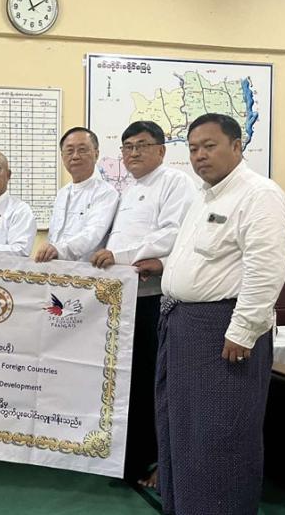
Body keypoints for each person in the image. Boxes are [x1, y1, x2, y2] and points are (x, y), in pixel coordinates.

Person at [137, 113, 285, 514]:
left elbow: (265, 268)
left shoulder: (259, 194)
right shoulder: (203, 196)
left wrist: (244, 329)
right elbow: (199, 259)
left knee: (220, 436)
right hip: (182, 327)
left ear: (237, 146)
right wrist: (163, 268)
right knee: (181, 430)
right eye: (192, 149)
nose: (199, 156)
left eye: (209, 146)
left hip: (222, 332)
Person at [89, 120, 194, 488]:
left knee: (155, 383)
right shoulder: (129, 190)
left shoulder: (175, 182)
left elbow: (172, 234)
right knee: (127, 383)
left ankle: (157, 463)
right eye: (127, 147)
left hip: (156, 300)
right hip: (126, 300)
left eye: (142, 145)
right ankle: (130, 461)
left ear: (161, 150)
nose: (133, 153)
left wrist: (119, 256)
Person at [34, 127, 119, 263]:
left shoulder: (106, 192)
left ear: (96, 154)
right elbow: (54, 236)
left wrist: (58, 250)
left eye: (82, 150)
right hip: (56, 268)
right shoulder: (62, 193)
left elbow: (93, 234)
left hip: (86, 270)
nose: (75, 156)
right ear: (62, 156)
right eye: (69, 151)